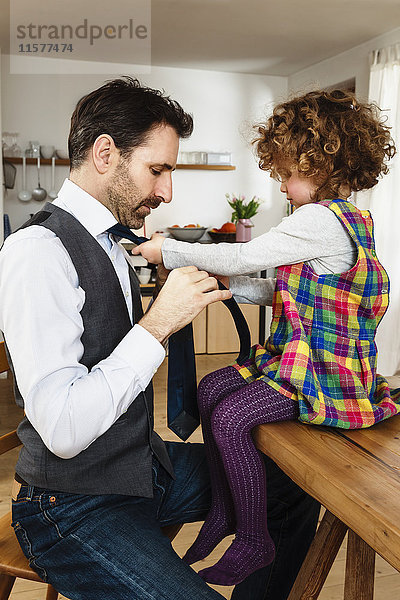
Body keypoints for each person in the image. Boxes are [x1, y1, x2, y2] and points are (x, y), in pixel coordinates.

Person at [0, 77, 320, 600]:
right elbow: (60, 429)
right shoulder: (36, 252)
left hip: (143, 469)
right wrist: (156, 326)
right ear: (105, 154)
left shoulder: (110, 243)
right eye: (158, 169)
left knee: (291, 484)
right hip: (73, 505)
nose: (167, 191)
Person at [134, 89, 400, 587]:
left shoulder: (320, 220)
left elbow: (242, 255)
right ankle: (227, 514)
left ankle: (254, 537)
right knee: (212, 390)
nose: (280, 182)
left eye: (287, 172)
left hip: (321, 370)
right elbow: (289, 290)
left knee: (232, 416)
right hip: (302, 355)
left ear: (322, 164)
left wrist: (166, 250)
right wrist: (234, 289)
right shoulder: (345, 221)